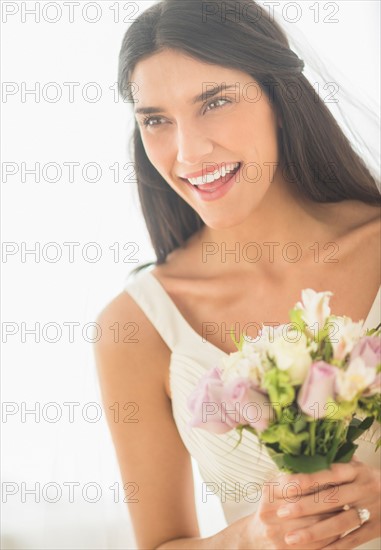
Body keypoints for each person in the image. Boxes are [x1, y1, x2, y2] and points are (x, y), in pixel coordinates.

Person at [94, 1, 381, 548]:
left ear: (279, 96)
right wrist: (253, 536)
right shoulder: (136, 327)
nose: (188, 151)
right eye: (156, 120)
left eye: (215, 102)